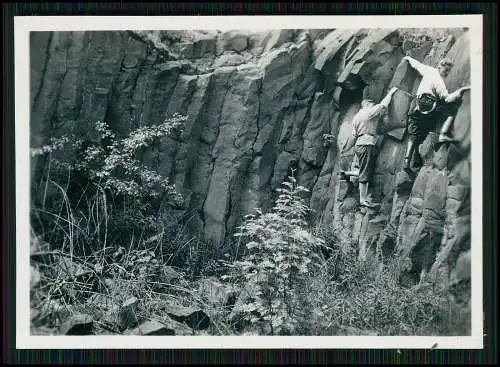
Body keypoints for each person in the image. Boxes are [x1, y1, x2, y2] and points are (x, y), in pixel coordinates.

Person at [400, 56, 470, 174]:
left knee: (414, 132)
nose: (447, 73)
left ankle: (407, 160)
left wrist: (408, 58)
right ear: (440, 67)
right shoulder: (439, 82)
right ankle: (443, 134)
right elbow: (447, 98)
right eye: (445, 70)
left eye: (448, 71)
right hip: (429, 105)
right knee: (451, 111)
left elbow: (417, 65)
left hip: (417, 103)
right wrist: (461, 91)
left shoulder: (429, 70)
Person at [340, 86, 399, 208]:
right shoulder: (368, 113)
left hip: (359, 145)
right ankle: (363, 200)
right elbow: (383, 105)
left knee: (364, 169)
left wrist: (346, 149)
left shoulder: (356, 117)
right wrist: (391, 92)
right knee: (365, 172)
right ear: (366, 104)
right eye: (371, 104)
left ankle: (346, 173)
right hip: (367, 144)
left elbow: (353, 136)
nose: (373, 105)